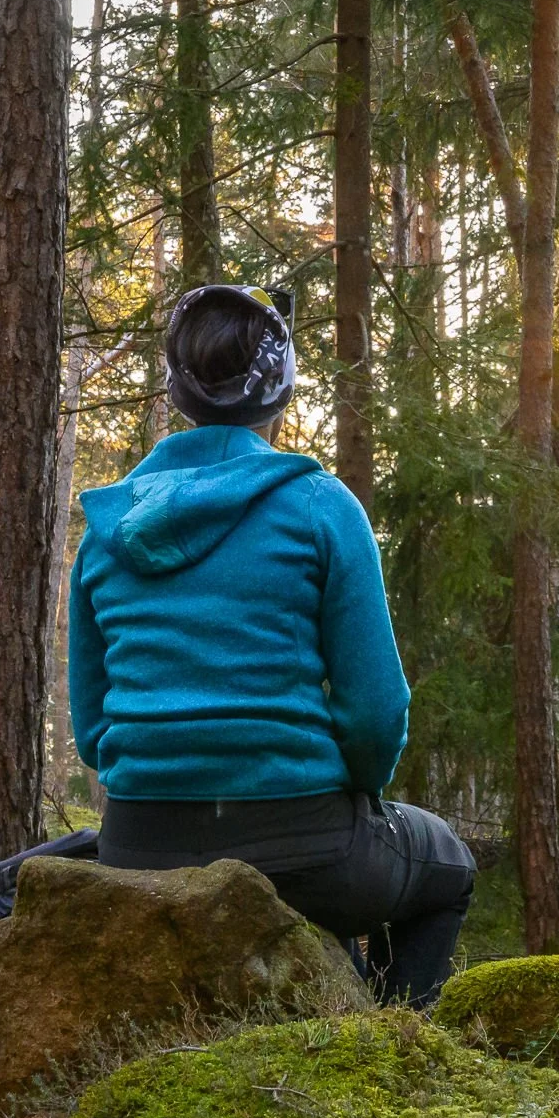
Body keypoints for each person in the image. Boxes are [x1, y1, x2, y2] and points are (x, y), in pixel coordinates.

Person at [67, 281, 475, 1006]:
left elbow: (94, 730)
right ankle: (391, 1054)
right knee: (449, 867)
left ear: (177, 389)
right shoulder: (319, 506)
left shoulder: (109, 528)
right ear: (278, 395)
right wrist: (355, 794)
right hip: (304, 846)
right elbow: (378, 712)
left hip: (136, 845)